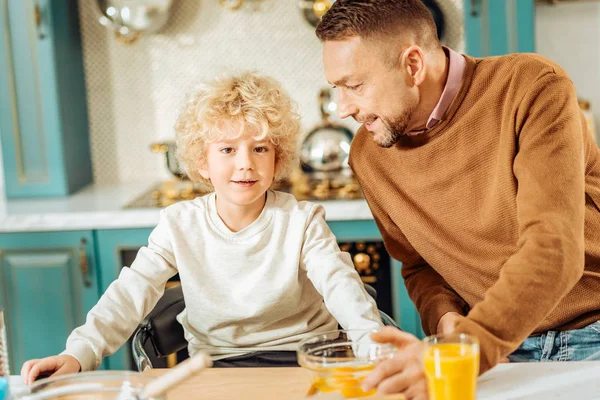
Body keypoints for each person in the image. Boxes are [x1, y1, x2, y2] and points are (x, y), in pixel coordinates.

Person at [316, 0, 600, 398]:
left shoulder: (531, 86)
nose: (344, 108)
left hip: (591, 333)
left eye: (355, 85)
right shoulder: (368, 155)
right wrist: (446, 319)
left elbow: (554, 249)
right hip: (490, 349)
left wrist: (466, 348)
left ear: (412, 65)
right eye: (337, 89)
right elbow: (418, 266)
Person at [20, 72, 383, 384]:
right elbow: (131, 292)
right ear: (202, 161)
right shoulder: (179, 224)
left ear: (278, 158)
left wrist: (375, 347)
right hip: (214, 366)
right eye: (227, 150)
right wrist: (79, 353)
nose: (245, 164)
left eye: (259, 149)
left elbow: (342, 288)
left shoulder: (302, 221)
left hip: (305, 361)